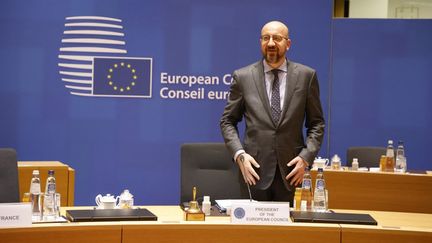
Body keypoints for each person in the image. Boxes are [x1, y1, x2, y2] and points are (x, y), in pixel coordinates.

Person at [220, 20, 325, 203]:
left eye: (277, 38)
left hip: (293, 173)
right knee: (252, 232)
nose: (270, 43)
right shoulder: (243, 77)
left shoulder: (307, 76)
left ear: (288, 43)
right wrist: (239, 155)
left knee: (292, 232)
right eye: (266, 38)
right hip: (254, 173)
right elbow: (227, 121)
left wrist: (306, 158)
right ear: (260, 42)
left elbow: (317, 124)